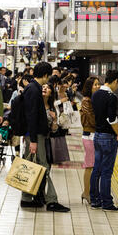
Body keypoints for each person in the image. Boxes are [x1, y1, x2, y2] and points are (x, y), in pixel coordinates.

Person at [20, 62, 70, 212]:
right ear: (46, 75)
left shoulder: (32, 88)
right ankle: (51, 201)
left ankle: (27, 198)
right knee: (44, 166)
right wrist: (33, 140)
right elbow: (31, 117)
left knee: (32, 166)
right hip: (36, 136)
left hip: (35, 135)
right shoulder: (34, 90)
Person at [90, 70, 118, 212]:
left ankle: (95, 200)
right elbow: (112, 119)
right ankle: (107, 203)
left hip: (97, 135)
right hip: (108, 137)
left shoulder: (96, 94)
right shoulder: (111, 96)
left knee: (96, 169)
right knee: (106, 171)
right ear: (115, 81)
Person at [80, 76, 100, 204]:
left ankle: (88, 192)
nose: (98, 86)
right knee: (90, 166)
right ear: (89, 87)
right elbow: (93, 120)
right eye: (95, 85)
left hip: (92, 135)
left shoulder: (93, 99)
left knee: (92, 165)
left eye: (99, 84)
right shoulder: (87, 101)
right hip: (89, 135)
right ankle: (86, 193)